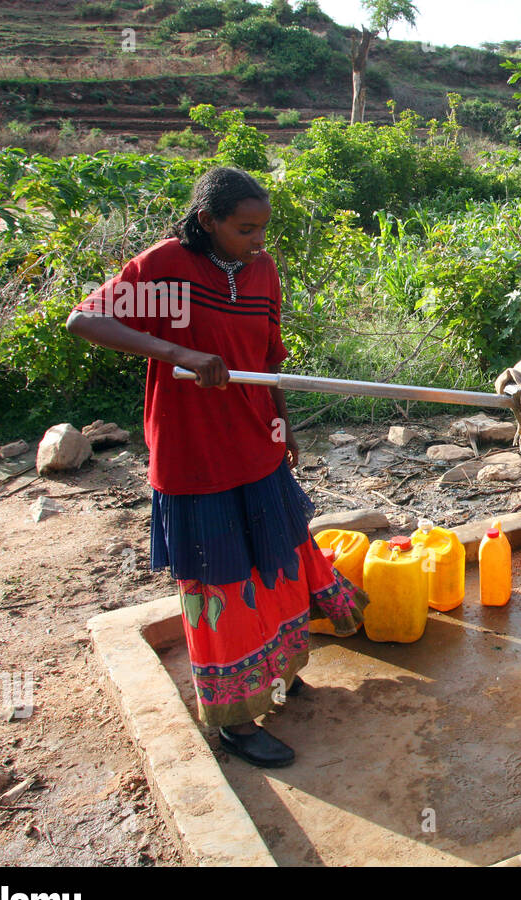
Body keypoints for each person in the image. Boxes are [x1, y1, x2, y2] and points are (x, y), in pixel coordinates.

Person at [66, 166, 365, 769]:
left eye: (263, 230)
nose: (258, 242)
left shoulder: (262, 270)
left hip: (256, 443)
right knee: (220, 582)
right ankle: (235, 717)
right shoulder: (166, 268)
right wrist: (178, 352)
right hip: (195, 452)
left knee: (275, 565)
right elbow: (85, 320)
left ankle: (278, 675)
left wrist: (283, 426)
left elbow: (268, 356)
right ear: (208, 221)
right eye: (245, 230)